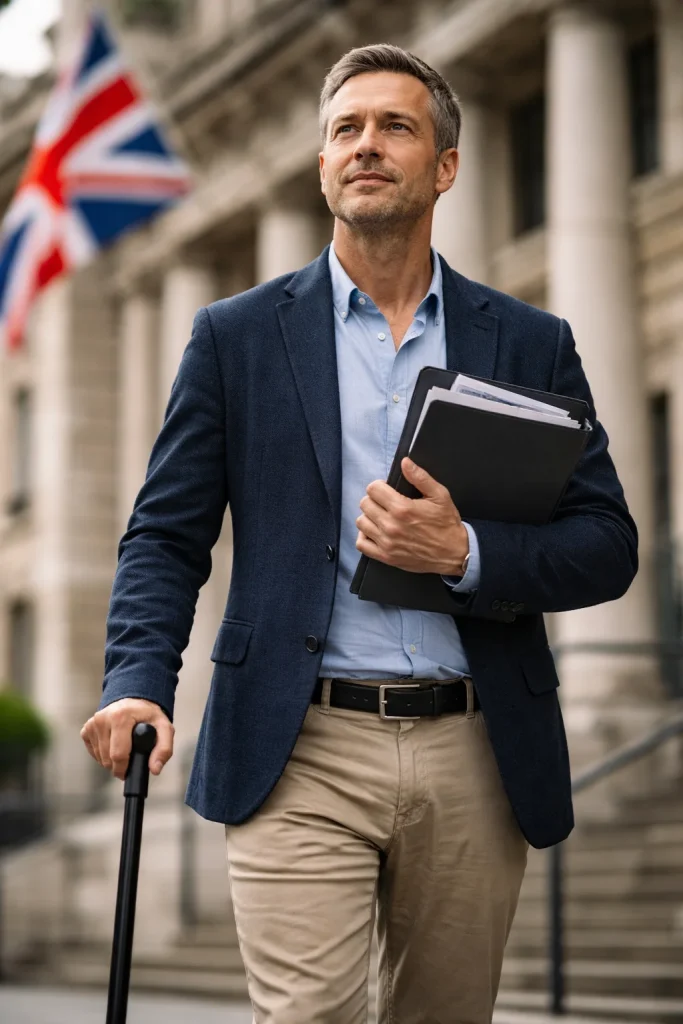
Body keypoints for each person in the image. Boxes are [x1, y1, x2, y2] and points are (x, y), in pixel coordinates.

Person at [81, 44, 638, 1024]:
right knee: (308, 1014)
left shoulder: (529, 341)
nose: (365, 145)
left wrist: (465, 554)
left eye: (394, 127)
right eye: (345, 129)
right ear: (322, 163)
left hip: (475, 744)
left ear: (445, 165)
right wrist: (136, 680)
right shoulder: (235, 337)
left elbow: (605, 541)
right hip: (297, 741)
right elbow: (164, 535)